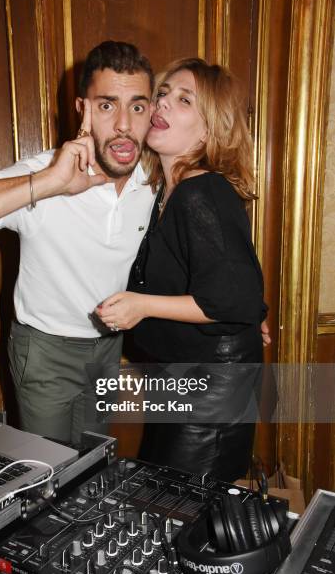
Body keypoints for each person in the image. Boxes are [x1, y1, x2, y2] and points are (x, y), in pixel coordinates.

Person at [0, 41, 156, 446]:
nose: (123, 124)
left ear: (151, 112)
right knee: (49, 473)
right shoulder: (43, 174)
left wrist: (235, 312)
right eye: (107, 105)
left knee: (91, 461)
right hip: (45, 350)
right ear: (82, 109)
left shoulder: (153, 179)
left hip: (108, 348)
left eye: (137, 107)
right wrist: (50, 184)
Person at [96, 58, 268, 481]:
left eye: (184, 99)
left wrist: (141, 305)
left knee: (180, 508)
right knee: (167, 492)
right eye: (164, 92)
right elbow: (231, 285)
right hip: (187, 373)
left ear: (211, 129)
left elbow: (233, 299)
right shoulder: (168, 191)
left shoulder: (200, 192)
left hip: (213, 385)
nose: (164, 103)